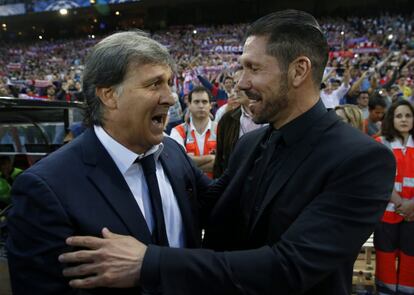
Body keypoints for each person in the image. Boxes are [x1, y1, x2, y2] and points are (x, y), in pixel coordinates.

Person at [59, 10, 396, 295]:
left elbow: (290, 267)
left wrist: (149, 262)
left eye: (254, 68)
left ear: (299, 71)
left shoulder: (361, 160)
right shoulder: (250, 144)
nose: (241, 83)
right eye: (241, 68)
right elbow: (205, 205)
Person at [6, 30, 211, 295]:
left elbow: (224, 208)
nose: (171, 97)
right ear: (109, 95)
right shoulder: (46, 188)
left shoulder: (172, 152)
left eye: (169, 83)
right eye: (154, 84)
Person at [374, 100, 414, 295]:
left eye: (408, 115)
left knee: (411, 259)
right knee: (385, 259)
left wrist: (412, 205)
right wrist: (400, 202)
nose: (404, 120)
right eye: (399, 116)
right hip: (386, 215)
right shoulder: (380, 143)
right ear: (391, 119)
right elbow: (375, 177)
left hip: (413, 215)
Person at [170, 86, 217, 178]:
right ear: (189, 105)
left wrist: (189, 163)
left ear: (210, 105)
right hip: (189, 189)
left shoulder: (221, 129)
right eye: (196, 102)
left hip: (217, 187)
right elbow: (178, 162)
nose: (201, 106)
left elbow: (225, 162)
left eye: (204, 102)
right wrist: (211, 158)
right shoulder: (177, 131)